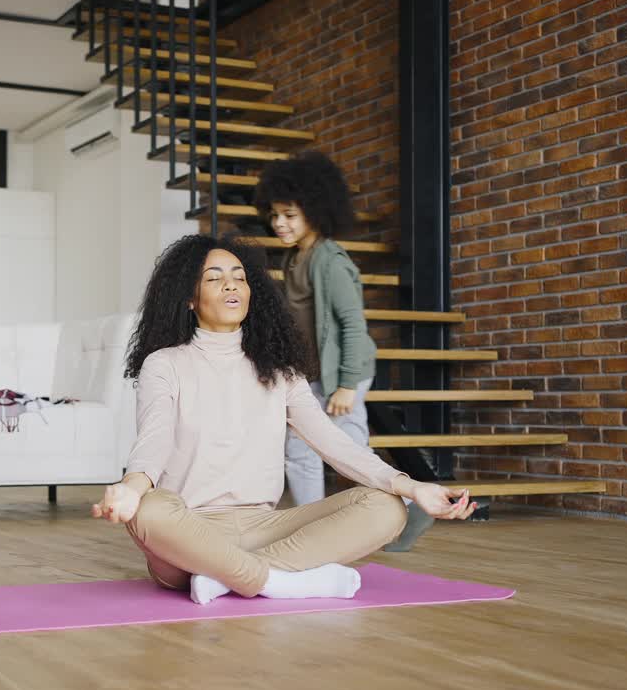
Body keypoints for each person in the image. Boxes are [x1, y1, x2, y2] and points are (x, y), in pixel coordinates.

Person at [91, 234, 475, 606]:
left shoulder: (280, 371)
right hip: (190, 533)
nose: (231, 285)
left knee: (388, 507)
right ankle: (278, 582)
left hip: (265, 530)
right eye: (214, 278)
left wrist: (411, 487)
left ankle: (233, 578)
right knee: (149, 508)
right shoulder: (165, 364)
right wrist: (131, 488)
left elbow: (334, 443)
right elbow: (153, 441)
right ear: (190, 298)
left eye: (239, 277)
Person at [253, 150, 435, 551]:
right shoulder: (294, 257)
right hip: (315, 375)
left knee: (352, 454)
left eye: (289, 215)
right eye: (275, 215)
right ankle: (312, 527)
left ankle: (409, 506)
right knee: (299, 451)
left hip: (343, 376)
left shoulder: (331, 262)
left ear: (315, 211)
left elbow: (354, 326)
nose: (279, 223)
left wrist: (348, 385)